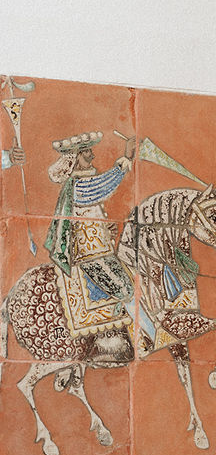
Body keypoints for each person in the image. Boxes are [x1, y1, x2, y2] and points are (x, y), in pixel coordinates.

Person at [45, 131, 136, 363]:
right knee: (127, 289)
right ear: (74, 158)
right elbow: (102, 187)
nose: (92, 155)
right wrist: (125, 159)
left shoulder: (80, 184)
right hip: (91, 256)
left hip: (99, 250)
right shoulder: (79, 186)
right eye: (86, 153)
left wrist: (105, 232)